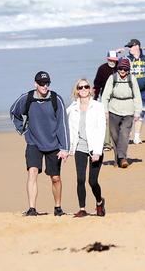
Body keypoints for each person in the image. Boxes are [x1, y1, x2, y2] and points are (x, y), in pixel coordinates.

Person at [10, 71, 69, 216]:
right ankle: (32, 209)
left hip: (53, 144)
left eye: (47, 83)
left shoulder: (56, 99)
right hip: (33, 142)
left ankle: (58, 208)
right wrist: (22, 131)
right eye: (41, 83)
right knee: (32, 172)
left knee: (55, 178)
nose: (45, 86)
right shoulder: (27, 98)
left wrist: (65, 148)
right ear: (35, 84)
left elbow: (63, 124)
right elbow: (14, 112)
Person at [65, 78, 107, 217]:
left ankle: (100, 203)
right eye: (80, 87)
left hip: (95, 148)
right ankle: (82, 209)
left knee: (92, 181)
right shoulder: (72, 109)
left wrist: (97, 151)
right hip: (79, 147)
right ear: (76, 91)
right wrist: (67, 149)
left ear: (90, 89)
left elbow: (102, 129)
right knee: (80, 179)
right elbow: (67, 128)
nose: (83, 89)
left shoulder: (98, 106)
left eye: (86, 87)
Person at [112, 39, 145, 146]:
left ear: (137, 46)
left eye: (131, 46)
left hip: (143, 91)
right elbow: (111, 63)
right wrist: (115, 53)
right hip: (129, 91)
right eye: (129, 47)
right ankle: (125, 136)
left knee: (140, 114)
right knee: (128, 114)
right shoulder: (126, 59)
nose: (129, 49)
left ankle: (137, 137)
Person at [101, 59, 141, 167]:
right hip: (113, 110)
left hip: (129, 110)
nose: (122, 71)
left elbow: (137, 96)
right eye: (120, 68)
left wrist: (138, 112)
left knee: (124, 133)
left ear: (128, 70)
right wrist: (104, 111)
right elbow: (105, 96)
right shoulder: (112, 78)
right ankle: (117, 157)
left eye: (125, 69)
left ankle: (122, 158)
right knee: (114, 136)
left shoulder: (132, 79)